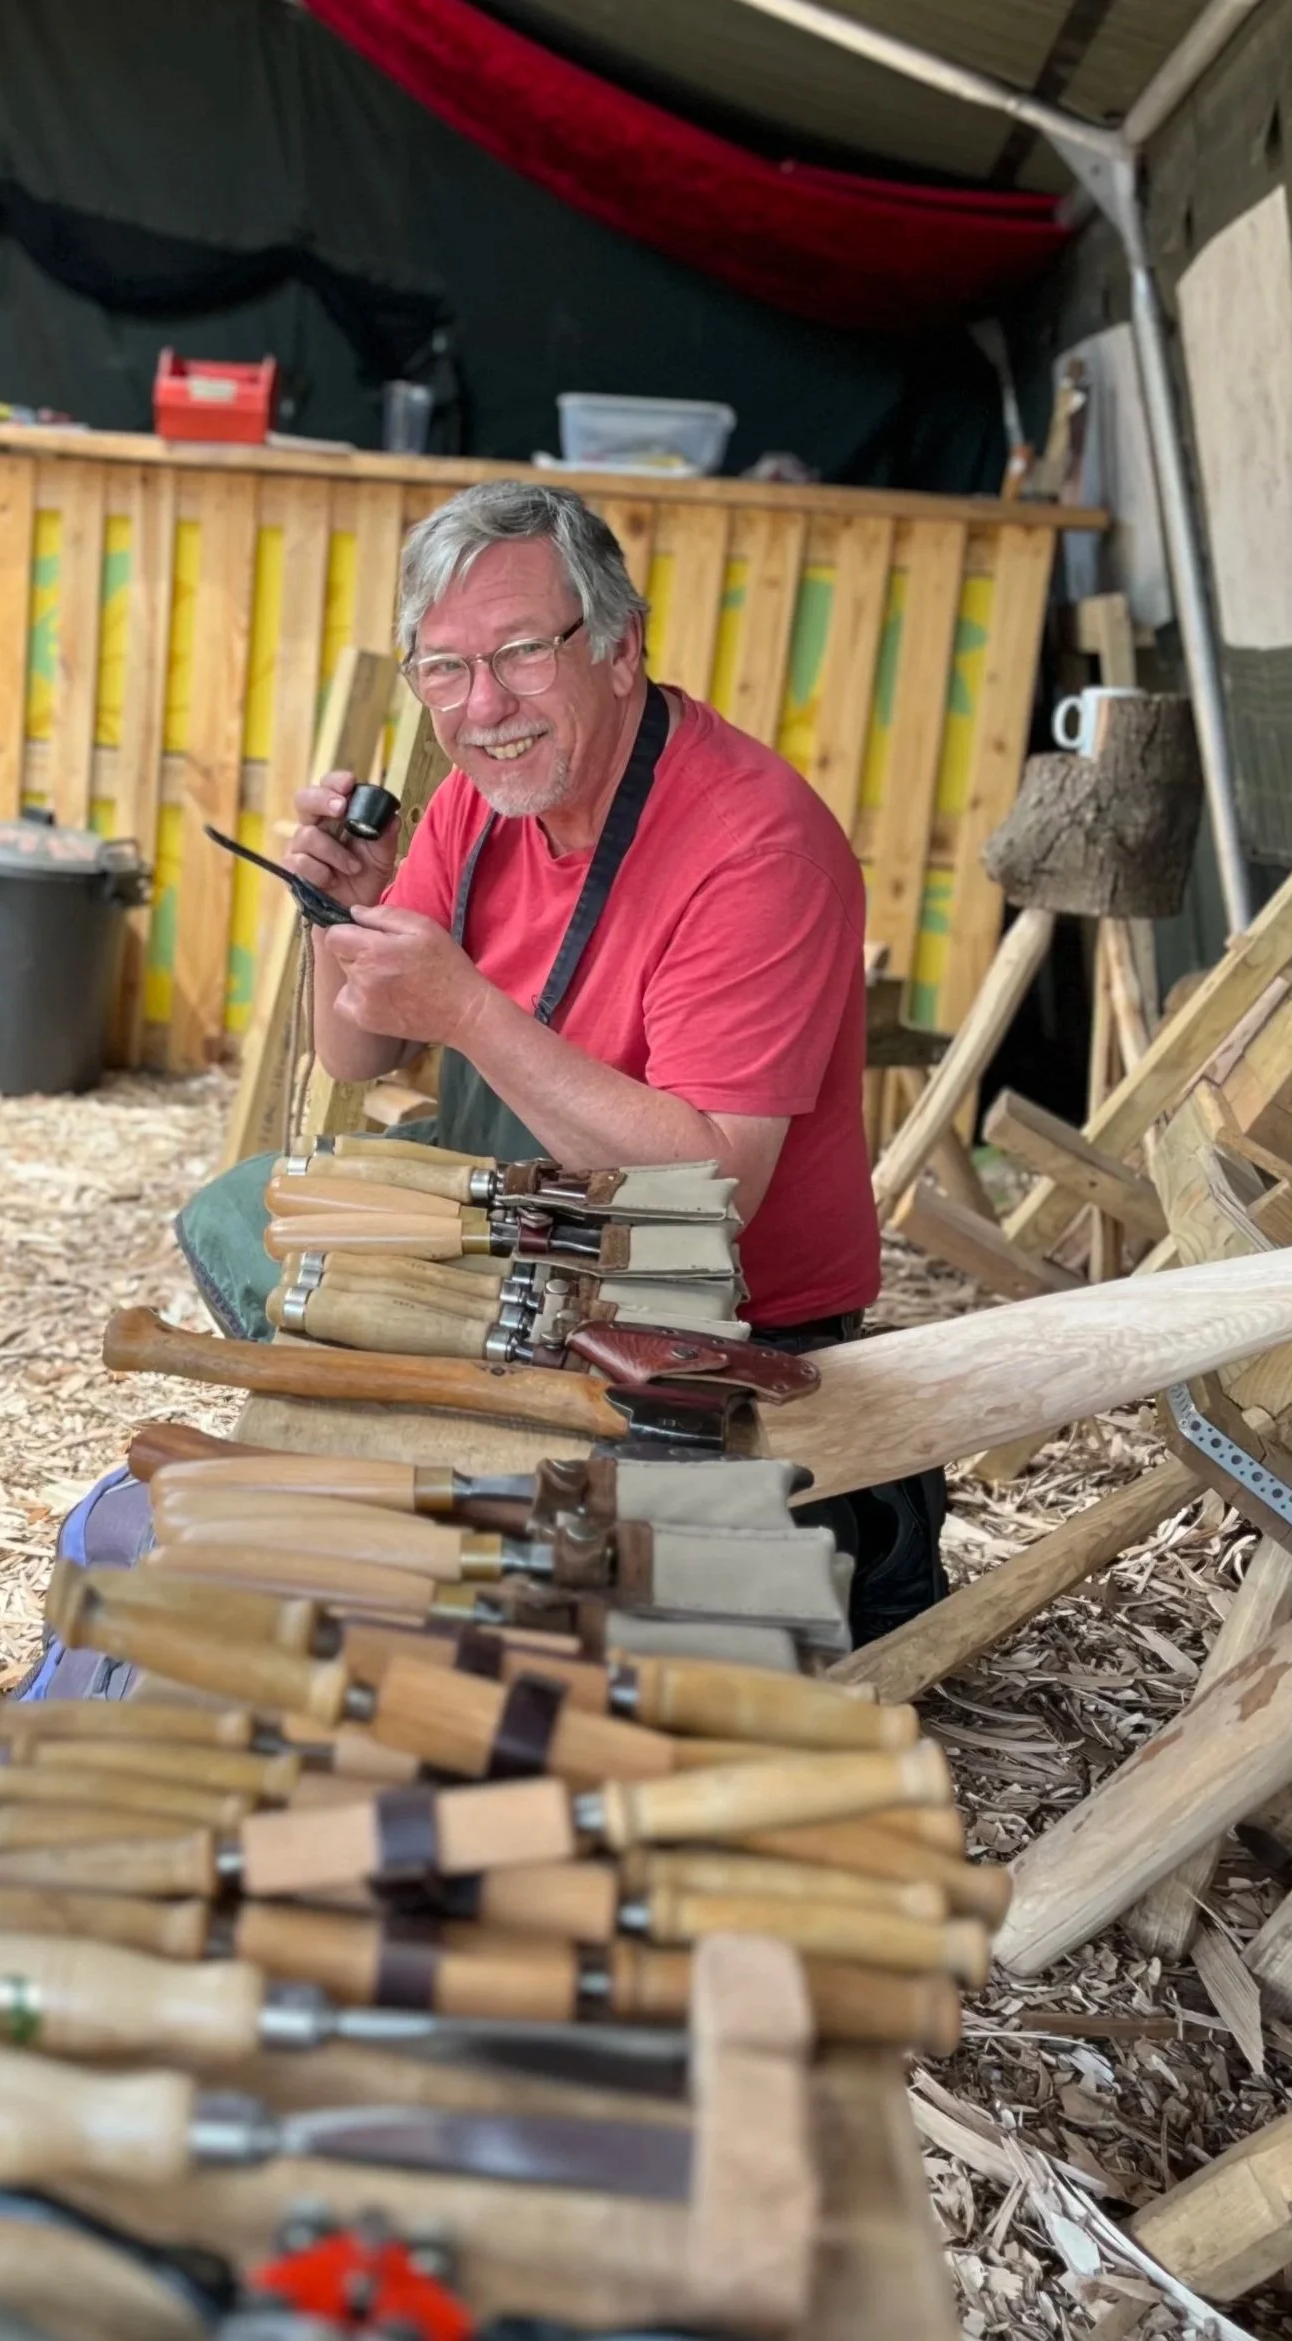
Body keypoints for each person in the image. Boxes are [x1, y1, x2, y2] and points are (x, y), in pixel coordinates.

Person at [176, 480, 944, 1641]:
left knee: (599, 1621)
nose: (483, 707)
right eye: (443, 668)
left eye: (523, 653)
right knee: (245, 1215)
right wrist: (340, 917)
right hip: (539, 1258)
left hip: (717, 1337)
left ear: (621, 647)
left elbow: (714, 1191)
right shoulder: (478, 806)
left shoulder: (753, 844)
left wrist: (473, 1013)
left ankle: (719, 1565)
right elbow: (356, 1046)